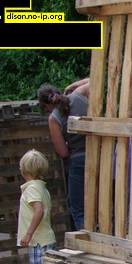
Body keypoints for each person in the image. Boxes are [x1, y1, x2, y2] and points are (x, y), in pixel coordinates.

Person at [37, 77, 89, 230]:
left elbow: (63, 152)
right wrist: (71, 86)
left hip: (79, 160)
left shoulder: (54, 118)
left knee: (78, 209)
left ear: (46, 105)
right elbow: (94, 80)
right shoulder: (78, 95)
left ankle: (85, 238)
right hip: (101, 155)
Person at [17, 149, 56, 264]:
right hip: (45, 239)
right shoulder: (42, 188)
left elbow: (38, 211)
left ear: (24, 170)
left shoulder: (32, 189)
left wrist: (28, 234)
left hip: (38, 241)